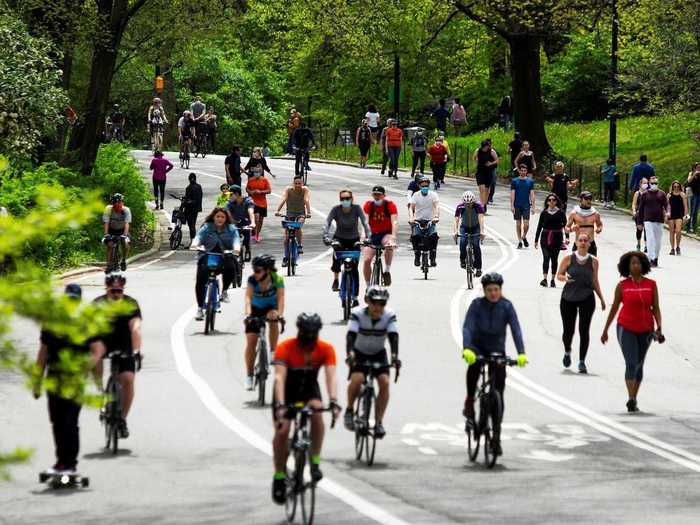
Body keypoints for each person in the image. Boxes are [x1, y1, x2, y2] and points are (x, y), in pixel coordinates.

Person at [33, 284, 106, 475]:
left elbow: (98, 351)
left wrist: (93, 375)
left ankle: (70, 464)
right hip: (54, 379)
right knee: (56, 421)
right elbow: (42, 353)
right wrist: (37, 381)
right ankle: (61, 462)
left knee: (69, 421)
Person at [271, 313, 340, 504]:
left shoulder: (325, 349)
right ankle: (278, 476)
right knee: (283, 430)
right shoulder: (286, 347)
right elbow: (279, 378)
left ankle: (315, 462)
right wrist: (281, 406)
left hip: (309, 389)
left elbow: (331, 376)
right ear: (299, 331)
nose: (309, 337)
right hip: (286, 391)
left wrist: (333, 401)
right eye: (305, 333)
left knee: (318, 415)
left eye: (313, 333)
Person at [462, 273, 528, 456]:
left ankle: (496, 437)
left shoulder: (506, 306)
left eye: (496, 290)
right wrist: (467, 348)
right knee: (474, 367)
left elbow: (516, 329)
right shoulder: (477, 305)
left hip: (497, 350)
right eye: (489, 290)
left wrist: (521, 353)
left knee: (499, 393)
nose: (493, 293)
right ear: (484, 291)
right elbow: (468, 327)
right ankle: (469, 401)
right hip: (477, 348)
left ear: (501, 290)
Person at [601, 252, 663, 413]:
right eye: (632, 263)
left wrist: (659, 327)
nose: (636, 266)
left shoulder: (651, 284)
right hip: (626, 327)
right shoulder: (622, 286)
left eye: (638, 263)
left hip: (646, 330)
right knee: (631, 362)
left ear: (643, 265)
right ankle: (630, 397)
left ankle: (634, 398)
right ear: (627, 267)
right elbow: (614, 308)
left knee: (639, 364)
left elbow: (655, 308)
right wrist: (606, 330)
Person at [344, 286, 399, 438]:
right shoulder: (357, 314)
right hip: (359, 353)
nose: (378, 307)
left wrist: (394, 356)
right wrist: (350, 354)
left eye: (382, 304)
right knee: (358, 379)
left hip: (378, 354)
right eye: (374, 303)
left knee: (385, 382)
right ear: (367, 301)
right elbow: (351, 336)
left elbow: (393, 336)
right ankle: (349, 410)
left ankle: (379, 422)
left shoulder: (389, 315)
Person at [93, 274, 142, 439]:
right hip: (103, 341)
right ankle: (101, 390)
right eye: (112, 290)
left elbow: (135, 327)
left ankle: (122, 419)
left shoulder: (130, 303)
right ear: (107, 289)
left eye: (119, 291)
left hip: (123, 343)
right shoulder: (98, 304)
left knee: (128, 379)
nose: (116, 294)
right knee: (96, 354)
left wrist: (136, 352)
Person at [556, 232, 606, 374]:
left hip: (587, 298)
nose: (583, 242)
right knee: (568, 330)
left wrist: (601, 298)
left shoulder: (594, 261)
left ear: (589, 244)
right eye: (580, 240)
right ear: (576, 243)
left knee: (584, 330)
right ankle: (567, 351)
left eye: (586, 240)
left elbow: (595, 281)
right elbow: (559, 274)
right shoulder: (568, 258)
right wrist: (564, 278)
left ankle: (582, 361)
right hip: (568, 298)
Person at [190, 207, 241, 318]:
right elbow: (198, 237)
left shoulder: (231, 229)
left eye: (222, 217)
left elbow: (236, 240)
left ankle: (224, 291)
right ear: (213, 217)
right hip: (207, 255)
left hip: (225, 256)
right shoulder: (207, 227)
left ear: (226, 218)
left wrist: (236, 248)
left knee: (231, 266)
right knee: (200, 280)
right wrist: (195, 244)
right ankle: (199, 308)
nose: (220, 219)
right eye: (217, 216)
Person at [245, 254, 284, 391]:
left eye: (258, 270)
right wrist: (248, 314)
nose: (255, 273)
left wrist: (279, 313)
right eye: (254, 270)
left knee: (273, 321)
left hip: (271, 307)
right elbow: (248, 299)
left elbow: (280, 299)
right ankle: (249, 375)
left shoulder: (277, 279)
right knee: (251, 341)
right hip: (255, 309)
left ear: (267, 270)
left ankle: (273, 350)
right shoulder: (252, 280)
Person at [323, 189, 371, 300]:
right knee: (336, 260)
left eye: (347, 198)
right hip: (339, 238)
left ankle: (355, 296)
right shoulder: (336, 210)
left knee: (354, 268)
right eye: (342, 199)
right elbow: (327, 223)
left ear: (352, 199)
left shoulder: (357, 209)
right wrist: (325, 236)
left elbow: (365, 223)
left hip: (354, 239)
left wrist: (369, 237)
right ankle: (336, 279)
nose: (345, 200)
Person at [363, 186, 398, 286]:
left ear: (384, 195)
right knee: (366, 260)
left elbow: (394, 222)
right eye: (375, 194)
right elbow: (364, 222)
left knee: (389, 245)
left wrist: (393, 237)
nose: (377, 197)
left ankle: (386, 271)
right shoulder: (368, 205)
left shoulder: (389, 205)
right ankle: (368, 286)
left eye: (379, 195)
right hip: (372, 234)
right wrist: (363, 237)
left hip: (385, 233)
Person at [275, 176, 311, 265]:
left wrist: (309, 212)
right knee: (287, 237)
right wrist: (278, 211)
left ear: (302, 184)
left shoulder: (305, 189)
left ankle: (299, 245)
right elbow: (284, 199)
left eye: (299, 183)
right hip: (289, 214)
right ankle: (286, 256)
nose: (298, 185)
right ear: (293, 183)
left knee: (298, 226)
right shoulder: (288, 189)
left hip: (300, 214)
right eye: (296, 183)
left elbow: (306, 199)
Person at [535, 193, 567, 288]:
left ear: (556, 202)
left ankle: (552, 279)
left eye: (553, 200)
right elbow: (539, 226)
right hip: (545, 237)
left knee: (554, 259)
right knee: (546, 257)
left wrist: (567, 237)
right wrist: (536, 239)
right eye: (549, 200)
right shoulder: (544, 213)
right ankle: (544, 279)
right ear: (547, 202)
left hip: (557, 237)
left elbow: (565, 225)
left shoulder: (561, 212)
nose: (551, 201)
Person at [408, 176, 440, 267]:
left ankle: (433, 257)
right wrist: (411, 218)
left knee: (434, 236)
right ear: (419, 186)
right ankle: (417, 256)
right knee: (415, 237)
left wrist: (436, 217)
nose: (425, 187)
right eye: (423, 186)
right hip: (418, 220)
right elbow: (411, 208)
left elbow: (437, 206)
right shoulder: (416, 195)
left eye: (426, 186)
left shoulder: (433, 195)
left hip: (430, 220)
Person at [637, 175, 668, 267]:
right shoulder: (645, 194)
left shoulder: (662, 194)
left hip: (659, 220)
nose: (654, 185)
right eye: (652, 183)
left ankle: (656, 258)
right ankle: (651, 258)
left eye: (656, 183)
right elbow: (641, 209)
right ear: (649, 184)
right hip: (648, 220)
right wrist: (639, 222)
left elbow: (667, 205)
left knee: (658, 240)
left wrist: (668, 212)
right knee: (650, 238)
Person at [454, 191, 485, 276]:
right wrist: (455, 231)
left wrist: (482, 231)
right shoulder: (460, 207)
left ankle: (478, 268)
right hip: (464, 227)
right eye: (466, 204)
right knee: (463, 242)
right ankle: (462, 260)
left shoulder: (478, 206)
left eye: (470, 204)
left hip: (476, 227)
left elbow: (481, 218)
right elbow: (456, 220)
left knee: (476, 245)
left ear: (473, 202)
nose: (468, 205)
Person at [565, 191, 603, 255]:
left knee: (592, 264)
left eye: (590, 199)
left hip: (590, 244)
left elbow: (600, 225)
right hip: (578, 244)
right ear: (581, 200)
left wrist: (599, 229)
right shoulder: (574, 213)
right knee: (575, 264)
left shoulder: (595, 214)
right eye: (586, 198)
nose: (588, 200)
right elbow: (566, 227)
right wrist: (571, 229)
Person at [102, 193, 131, 272]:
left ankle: (123, 260)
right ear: (113, 204)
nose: (119, 205)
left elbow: (127, 224)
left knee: (125, 243)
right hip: (111, 229)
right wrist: (106, 234)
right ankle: (109, 265)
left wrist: (124, 235)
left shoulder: (126, 210)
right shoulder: (108, 209)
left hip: (122, 230)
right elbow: (106, 223)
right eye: (117, 204)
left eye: (121, 203)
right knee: (109, 245)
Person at [225, 185, 256, 260]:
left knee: (246, 235)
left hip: (245, 222)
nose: (229, 197)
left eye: (231, 195)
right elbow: (227, 213)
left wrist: (253, 222)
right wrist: (231, 222)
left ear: (237, 194)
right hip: (234, 222)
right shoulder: (230, 203)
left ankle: (247, 249)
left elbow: (251, 211)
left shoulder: (248, 200)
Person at [510, 165, 535, 249]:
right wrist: (512, 205)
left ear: (526, 171)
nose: (523, 172)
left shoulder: (530, 181)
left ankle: (524, 236)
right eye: (521, 170)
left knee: (526, 224)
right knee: (518, 224)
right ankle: (520, 241)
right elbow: (512, 193)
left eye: (525, 170)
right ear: (519, 171)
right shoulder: (514, 181)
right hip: (517, 205)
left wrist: (533, 206)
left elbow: (532, 194)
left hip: (526, 205)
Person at [246, 164, 273, 242]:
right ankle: (255, 234)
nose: (256, 173)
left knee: (261, 220)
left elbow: (269, 190)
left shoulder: (264, 180)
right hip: (253, 202)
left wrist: (261, 192)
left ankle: (257, 234)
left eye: (258, 172)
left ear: (261, 172)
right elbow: (247, 189)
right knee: (256, 217)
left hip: (263, 203)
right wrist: (251, 192)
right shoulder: (250, 180)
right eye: (255, 172)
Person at [474, 140, 498, 208]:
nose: (486, 148)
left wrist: (491, 163)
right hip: (480, 171)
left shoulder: (491, 151)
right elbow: (474, 157)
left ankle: (484, 204)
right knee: (482, 189)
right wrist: (477, 162)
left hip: (488, 172)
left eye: (487, 147)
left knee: (487, 190)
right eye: (484, 147)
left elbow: (497, 160)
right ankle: (481, 205)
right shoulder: (478, 150)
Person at [666, 180, 688, 255]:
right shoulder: (669, 195)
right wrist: (666, 215)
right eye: (674, 186)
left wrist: (685, 216)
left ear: (680, 187)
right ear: (672, 187)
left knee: (678, 231)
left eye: (677, 186)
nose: (676, 188)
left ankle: (678, 246)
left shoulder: (682, 194)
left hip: (679, 215)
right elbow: (667, 206)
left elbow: (685, 207)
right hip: (671, 215)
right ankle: (672, 248)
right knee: (671, 232)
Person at [183, 173, 203, 245]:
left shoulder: (189, 187)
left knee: (191, 225)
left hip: (189, 209)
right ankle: (193, 240)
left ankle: (192, 241)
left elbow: (187, 198)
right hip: (196, 209)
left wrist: (184, 203)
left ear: (189, 179)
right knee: (193, 224)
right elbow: (200, 197)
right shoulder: (199, 186)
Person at [631, 177, 649, 251]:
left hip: (647, 213)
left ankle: (646, 245)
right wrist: (634, 211)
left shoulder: (649, 193)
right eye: (644, 183)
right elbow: (634, 204)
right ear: (640, 184)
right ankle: (638, 244)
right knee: (639, 229)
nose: (646, 184)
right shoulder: (637, 193)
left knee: (647, 230)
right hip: (639, 214)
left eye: (647, 183)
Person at [686, 163, 700, 232]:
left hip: (698, 195)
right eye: (697, 167)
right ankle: (688, 227)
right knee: (690, 211)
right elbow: (689, 181)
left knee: (696, 211)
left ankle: (694, 228)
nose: (699, 169)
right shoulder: (691, 173)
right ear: (694, 168)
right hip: (692, 195)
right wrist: (694, 174)